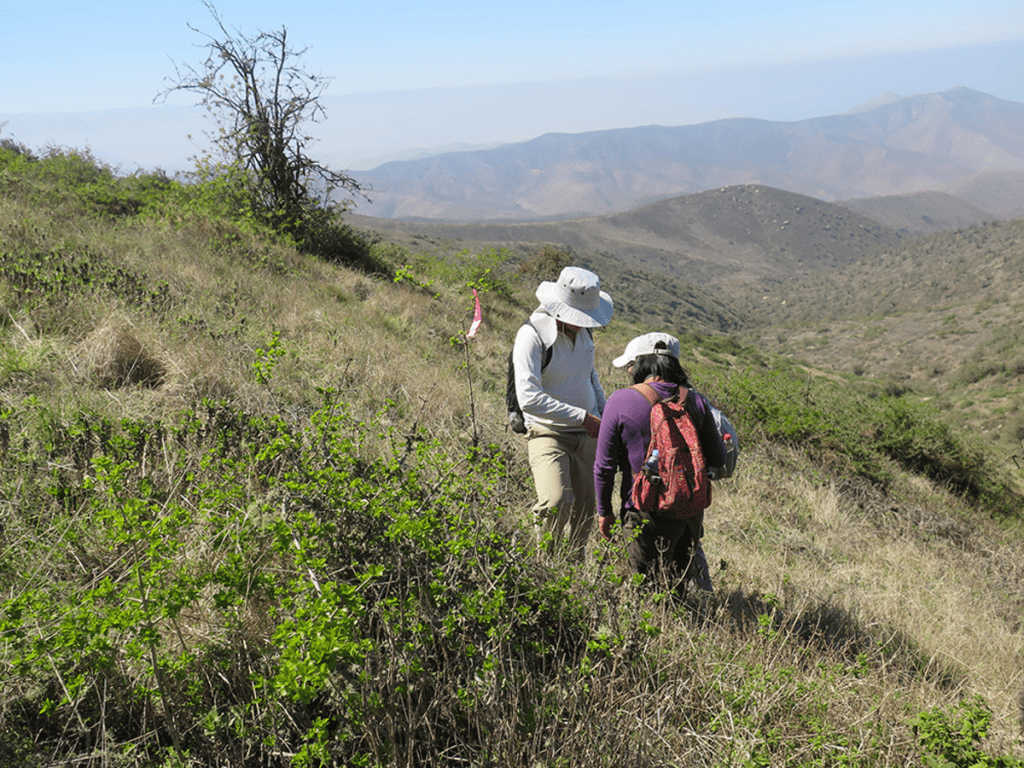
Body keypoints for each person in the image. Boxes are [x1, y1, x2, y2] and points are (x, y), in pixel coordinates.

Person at [594, 332, 726, 591]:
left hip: (643, 508)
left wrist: (604, 512)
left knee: (645, 590)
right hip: (688, 510)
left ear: (643, 364)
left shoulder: (621, 400)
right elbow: (718, 456)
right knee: (678, 585)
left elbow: (604, 466)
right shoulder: (696, 400)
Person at [512, 266, 613, 557]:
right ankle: (546, 565)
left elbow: (589, 377)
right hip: (548, 432)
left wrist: (604, 416)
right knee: (555, 502)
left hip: (588, 435)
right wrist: (583, 417)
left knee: (586, 510)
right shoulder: (532, 336)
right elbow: (529, 398)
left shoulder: (585, 337)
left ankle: (573, 566)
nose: (582, 324)